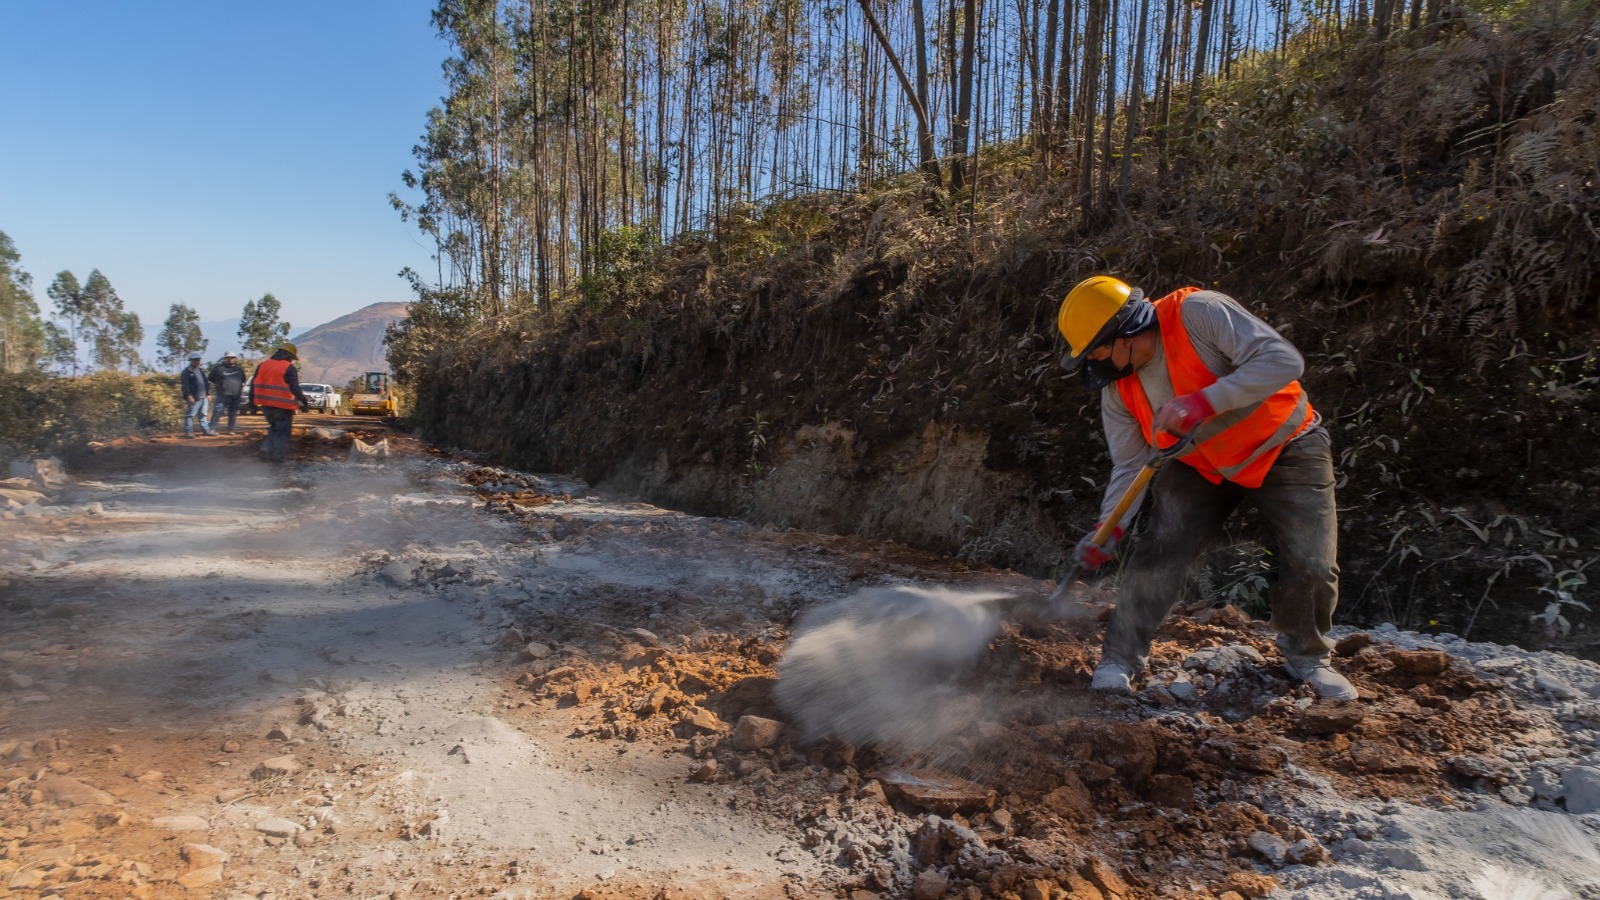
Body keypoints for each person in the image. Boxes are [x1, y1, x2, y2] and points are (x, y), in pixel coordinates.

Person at [1056, 275, 1356, 701]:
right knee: (1161, 547)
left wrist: (1204, 402)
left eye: (1098, 349)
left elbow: (1283, 360)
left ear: (1125, 333)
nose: (1096, 362)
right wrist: (1111, 527)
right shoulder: (1118, 388)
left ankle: (1307, 657)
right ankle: (1119, 658)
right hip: (1200, 462)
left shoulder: (1200, 313)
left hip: (1284, 445)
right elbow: (1128, 464)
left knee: (1311, 562)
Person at [249, 342, 308, 464]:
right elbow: (295, 388)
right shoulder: (289, 368)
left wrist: (252, 403)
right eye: (291, 358)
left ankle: (266, 450)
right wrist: (304, 401)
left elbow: (253, 384)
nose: (291, 360)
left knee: (274, 428)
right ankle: (277, 458)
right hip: (283, 407)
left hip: (266, 405)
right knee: (283, 433)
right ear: (288, 356)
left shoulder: (263, 365)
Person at [207, 350, 247, 434]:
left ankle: (230, 429)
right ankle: (212, 428)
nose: (230, 360)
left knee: (233, 413)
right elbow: (211, 378)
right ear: (225, 359)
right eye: (228, 358)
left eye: (232, 358)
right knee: (218, 412)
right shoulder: (218, 368)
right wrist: (221, 385)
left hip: (236, 395)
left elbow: (243, 379)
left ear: (235, 359)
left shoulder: (239, 369)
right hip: (223, 395)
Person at [180, 351, 215, 438]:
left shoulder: (201, 371)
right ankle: (189, 432)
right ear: (191, 360)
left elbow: (206, 383)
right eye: (195, 360)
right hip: (195, 397)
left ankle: (206, 430)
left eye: (198, 360)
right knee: (190, 415)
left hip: (204, 397)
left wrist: (208, 393)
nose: (197, 361)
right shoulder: (186, 372)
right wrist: (188, 395)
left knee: (203, 415)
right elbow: (185, 385)